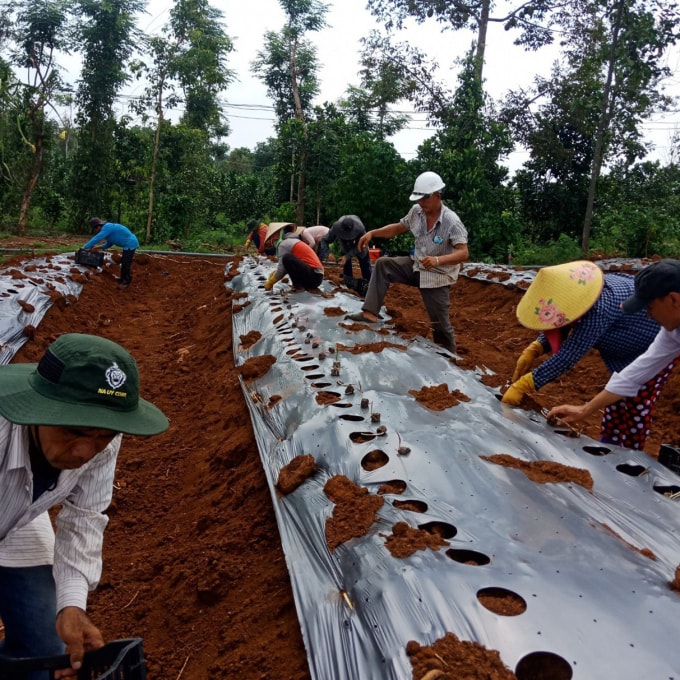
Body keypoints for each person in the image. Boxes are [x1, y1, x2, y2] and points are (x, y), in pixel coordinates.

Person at [0, 333, 168, 677]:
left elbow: (85, 515)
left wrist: (72, 603)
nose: (85, 452)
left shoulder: (100, 434)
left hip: (17, 518)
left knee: (44, 644)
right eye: (72, 432)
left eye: (101, 437)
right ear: (36, 409)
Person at [501, 260, 666, 450]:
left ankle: (630, 457)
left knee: (636, 404)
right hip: (626, 359)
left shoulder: (600, 308)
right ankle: (608, 445)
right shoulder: (581, 297)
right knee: (614, 402)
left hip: (649, 350)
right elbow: (561, 320)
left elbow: (569, 354)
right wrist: (537, 346)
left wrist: (527, 383)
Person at [547, 259, 680, 449]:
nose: (649, 316)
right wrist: (584, 410)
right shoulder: (672, 332)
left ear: (673, 300)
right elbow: (633, 375)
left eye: (650, 307)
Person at [349, 171, 468, 354]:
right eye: (419, 198)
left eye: (425, 198)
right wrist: (373, 233)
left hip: (437, 276)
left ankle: (449, 358)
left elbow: (463, 252)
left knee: (440, 325)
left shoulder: (452, 221)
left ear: (437, 195)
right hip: (416, 265)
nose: (421, 203)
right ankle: (370, 313)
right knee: (383, 264)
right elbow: (398, 228)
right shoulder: (417, 212)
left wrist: (438, 260)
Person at [264, 224, 324, 292]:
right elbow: (289, 267)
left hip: (314, 276)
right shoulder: (294, 242)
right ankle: (298, 285)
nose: (273, 239)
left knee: (287, 257)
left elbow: (282, 270)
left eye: (274, 235)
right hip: (317, 277)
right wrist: (275, 273)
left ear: (281, 233)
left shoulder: (284, 244)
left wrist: (270, 282)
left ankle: (298, 287)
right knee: (287, 259)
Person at [82, 218, 139, 288]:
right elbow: (108, 244)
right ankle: (122, 279)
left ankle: (126, 282)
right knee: (124, 262)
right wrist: (96, 248)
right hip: (127, 244)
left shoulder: (107, 227)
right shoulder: (108, 231)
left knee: (126, 263)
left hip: (131, 243)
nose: (96, 232)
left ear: (98, 226)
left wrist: (85, 247)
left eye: (95, 230)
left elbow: (97, 238)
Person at [319, 215, 372, 287]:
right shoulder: (336, 228)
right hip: (345, 247)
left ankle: (369, 285)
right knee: (347, 268)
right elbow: (324, 240)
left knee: (365, 264)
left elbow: (360, 247)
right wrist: (328, 253)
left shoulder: (360, 229)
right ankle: (349, 286)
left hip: (360, 245)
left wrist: (347, 256)